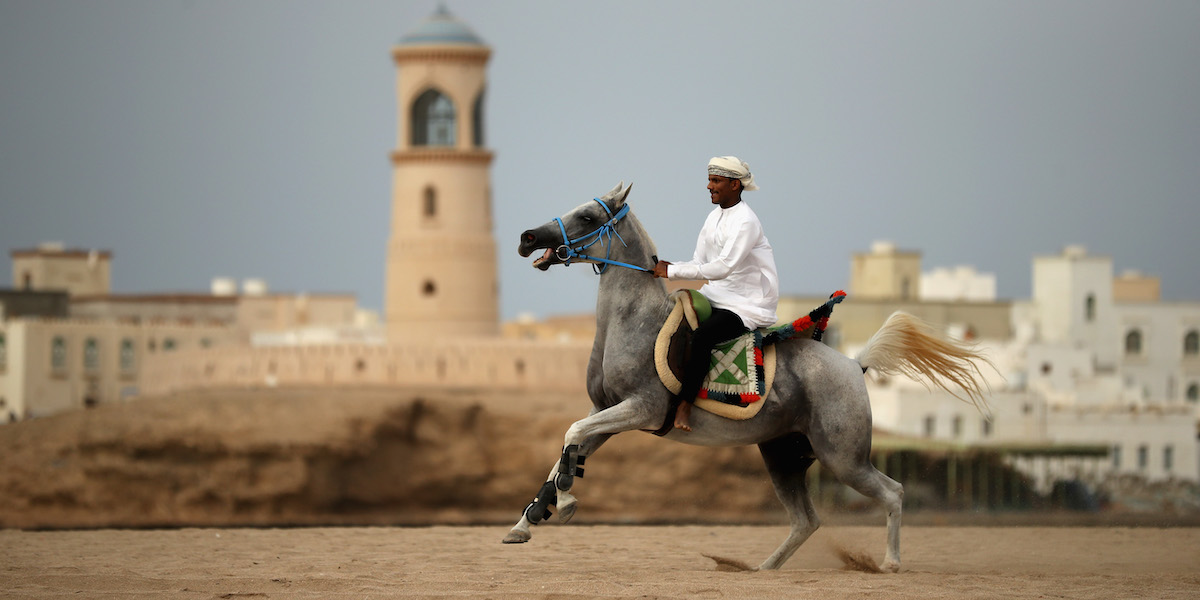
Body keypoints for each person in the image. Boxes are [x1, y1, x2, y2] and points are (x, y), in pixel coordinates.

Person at [653, 156, 780, 432]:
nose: (709, 186)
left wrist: (672, 273)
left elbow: (722, 267)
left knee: (703, 337)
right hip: (716, 293)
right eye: (710, 180)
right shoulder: (713, 217)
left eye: (716, 181)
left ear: (735, 185)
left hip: (745, 304)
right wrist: (668, 267)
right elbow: (699, 261)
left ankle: (685, 405)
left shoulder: (746, 221)